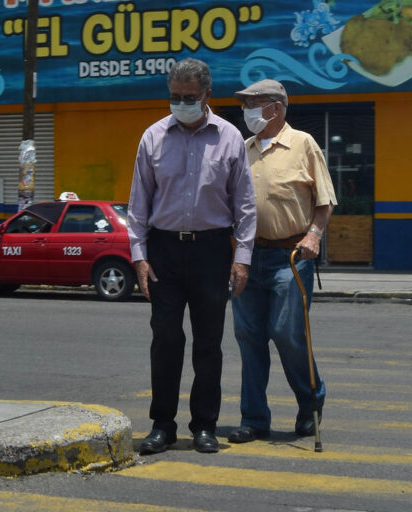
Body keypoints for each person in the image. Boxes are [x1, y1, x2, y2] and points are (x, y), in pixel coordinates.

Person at [127, 58, 256, 455]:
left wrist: (242, 257)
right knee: (165, 340)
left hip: (212, 251)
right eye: (175, 97)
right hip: (164, 250)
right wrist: (140, 257)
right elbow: (138, 207)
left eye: (189, 97)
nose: (181, 103)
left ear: (207, 96)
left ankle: (204, 425)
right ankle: (162, 426)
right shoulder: (152, 138)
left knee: (208, 344)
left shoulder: (230, 138)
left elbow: (246, 205)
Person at [228, 79, 337, 443]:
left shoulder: (303, 144)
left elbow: (325, 200)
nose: (248, 112)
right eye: (246, 105)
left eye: (254, 103)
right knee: (248, 336)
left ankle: (311, 403)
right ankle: (254, 418)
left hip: (290, 256)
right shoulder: (243, 149)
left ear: (276, 107)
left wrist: (314, 235)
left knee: (286, 333)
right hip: (247, 255)